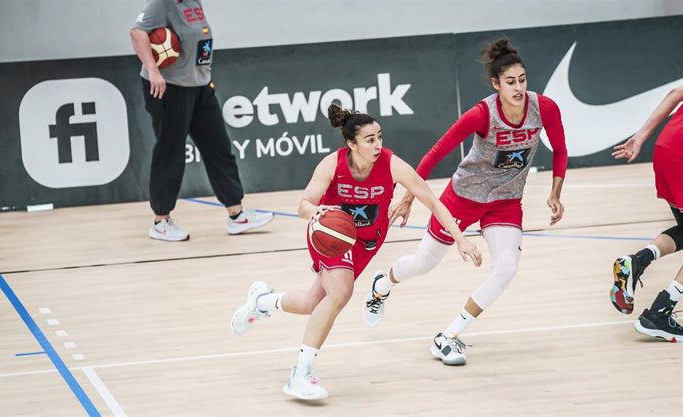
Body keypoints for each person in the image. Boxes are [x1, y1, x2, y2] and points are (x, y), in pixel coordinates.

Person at [230, 104, 482, 400]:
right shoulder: (332, 164)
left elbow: (433, 201)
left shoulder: (391, 164)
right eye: (370, 139)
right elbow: (303, 205)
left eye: (380, 137)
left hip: (366, 243)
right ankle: (301, 374)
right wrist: (316, 211)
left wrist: (460, 238)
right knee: (340, 293)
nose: (378, 144)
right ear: (352, 144)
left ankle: (262, 301)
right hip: (330, 235)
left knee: (314, 303)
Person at [361, 38, 568, 366]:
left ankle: (449, 335)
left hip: (505, 199)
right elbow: (436, 152)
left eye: (522, 80)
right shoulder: (481, 114)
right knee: (422, 264)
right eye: (510, 82)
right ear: (496, 83)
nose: (518, 87)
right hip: (463, 197)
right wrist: (408, 197)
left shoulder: (544, 108)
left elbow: (560, 149)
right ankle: (382, 284)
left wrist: (555, 192)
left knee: (507, 269)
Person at [130, 0, 273, 241]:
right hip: (170, 89)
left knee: (218, 147)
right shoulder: (161, 4)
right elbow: (137, 33)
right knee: (170, 152)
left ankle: (237, 215)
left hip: (199, 86)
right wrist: (153, 71)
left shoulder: (193, 2)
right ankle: (161, 221)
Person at [610, 85, 683, 343]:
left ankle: (638, 261)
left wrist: (640, 137)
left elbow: (676, 93)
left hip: (666, 148)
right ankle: (659, 315)